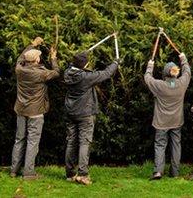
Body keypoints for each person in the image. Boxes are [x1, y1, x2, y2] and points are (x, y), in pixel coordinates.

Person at [63, 50, 119, 185]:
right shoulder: (85, 77)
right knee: (84, 142)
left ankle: (70, 174)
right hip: (85, 113)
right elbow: (106, 74)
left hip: (71, 112)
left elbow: (74, 64)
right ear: (83, 64)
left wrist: (79, 57)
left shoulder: (68, 72)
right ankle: (82, 174)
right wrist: (115, 63)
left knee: (71, 142)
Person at [11, 36, 60, 180]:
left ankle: (14, 170)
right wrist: (53, 58)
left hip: (21, 110)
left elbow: (20, 58)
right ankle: (29, 173)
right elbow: (56, 72)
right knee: (33, 142)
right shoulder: (41, 73)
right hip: (36, 112)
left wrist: (32, 45)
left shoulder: (19, 69)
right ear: (37, 60)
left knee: (19, 139)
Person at [144, 52, 191, 179]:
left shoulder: (160, 85)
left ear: (165, 73)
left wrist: (150, 66)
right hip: (177, 120)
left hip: (161, 122)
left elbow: (147, 78)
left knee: (160, 145)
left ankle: (158, 171)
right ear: (176, 72)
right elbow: (187, 72)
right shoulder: (182, 83)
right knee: (176, 145)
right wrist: (183, 59)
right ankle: (175, 172)